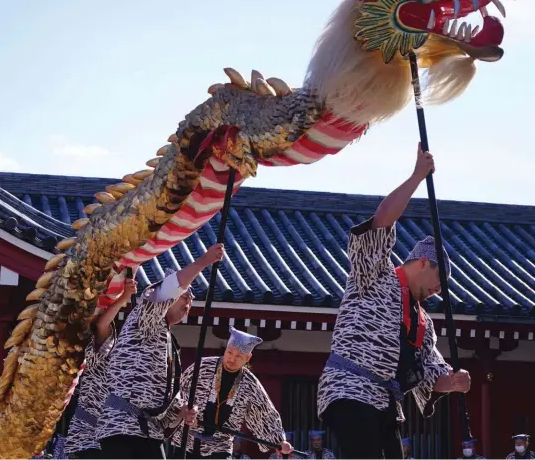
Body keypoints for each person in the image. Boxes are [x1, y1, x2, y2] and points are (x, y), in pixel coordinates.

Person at [317, 144, 471, 459]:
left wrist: (452, 382)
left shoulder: (424, 326)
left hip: (387, 403)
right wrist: (417, 176)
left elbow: (429, 373)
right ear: (423, 263)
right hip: (349, 387)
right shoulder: (375, 275)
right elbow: (381, 222)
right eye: (439, 282)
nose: (438, 291)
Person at [96, 243, 225, 459]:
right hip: (122, 426)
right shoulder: (146, 318)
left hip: (149, 432)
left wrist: (182, 412)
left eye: (192, 300)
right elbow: (168, 289)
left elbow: (166, 399)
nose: (189, 302)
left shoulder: (169, 342)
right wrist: (204, 261)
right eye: (185, 296)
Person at [169, 326, 292, 459]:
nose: (232, 359)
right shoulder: (202, 367)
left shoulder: (250, 384)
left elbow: (265, 413)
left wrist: (279, 441)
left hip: (220, 446)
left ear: (248, 358)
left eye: (239, 356)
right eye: (229, 353)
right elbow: (177, 391)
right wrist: (185, 410)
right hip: (186, 440)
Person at [65, 276, 137, 458]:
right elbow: (103, 324)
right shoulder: (107, 351)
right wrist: (124, 297)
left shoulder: (134, 366)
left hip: (115, 434)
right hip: (86, 431)